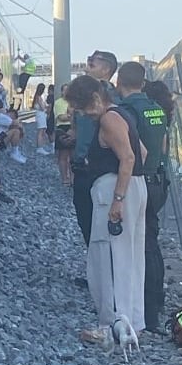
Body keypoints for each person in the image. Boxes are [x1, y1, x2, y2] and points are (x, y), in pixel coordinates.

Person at [65, 77, 147, 341]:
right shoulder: (123, 115)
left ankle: (112, 326)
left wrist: (118, 199)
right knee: (130, 257)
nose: (82, 113)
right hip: (134, 186)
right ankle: (132, 321)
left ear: (95, 99)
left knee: (109, 257)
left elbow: (130, 157)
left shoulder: (108, 119)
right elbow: (142, 152)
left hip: (115, 190)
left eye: (82, 107)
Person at [118, 64, 172, 333]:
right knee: (152, 242)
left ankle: (147, 315)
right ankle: (156, 305)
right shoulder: (157, 110)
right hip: (159, 183)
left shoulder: (127, 112)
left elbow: (133, 152)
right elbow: (161, 148)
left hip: (139, 182)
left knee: (140, 248)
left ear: (119, 82)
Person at [71, 51, 120, 246]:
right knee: (86, 221)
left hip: (101, 169)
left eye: (93, 62)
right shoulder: (83, 94)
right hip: (82, 168)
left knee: (102, 225)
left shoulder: (112, 96)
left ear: (106, 69)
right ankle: (96, 272)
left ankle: (105, 272)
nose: (87, 63)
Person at [54, 83, 74, 186]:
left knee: (73, 155)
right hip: (62, 128)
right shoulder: (58, 103)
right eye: (65, 90)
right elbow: (61, 117)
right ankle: (64, 178)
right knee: (63, 155)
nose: (66, 92)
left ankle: (72, 178)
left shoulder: (74, 102)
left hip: (73, 128)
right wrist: (72, 115)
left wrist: (70, 115)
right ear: (62, 91)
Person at [32, 83, 52, 155]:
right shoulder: (39, 97)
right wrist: (47, 107)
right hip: (41, 115)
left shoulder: (37, 97)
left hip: (41, 115)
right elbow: (42, 108)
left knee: (42, 131)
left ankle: (41, 147)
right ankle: (39, 148)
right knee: (41, 131)